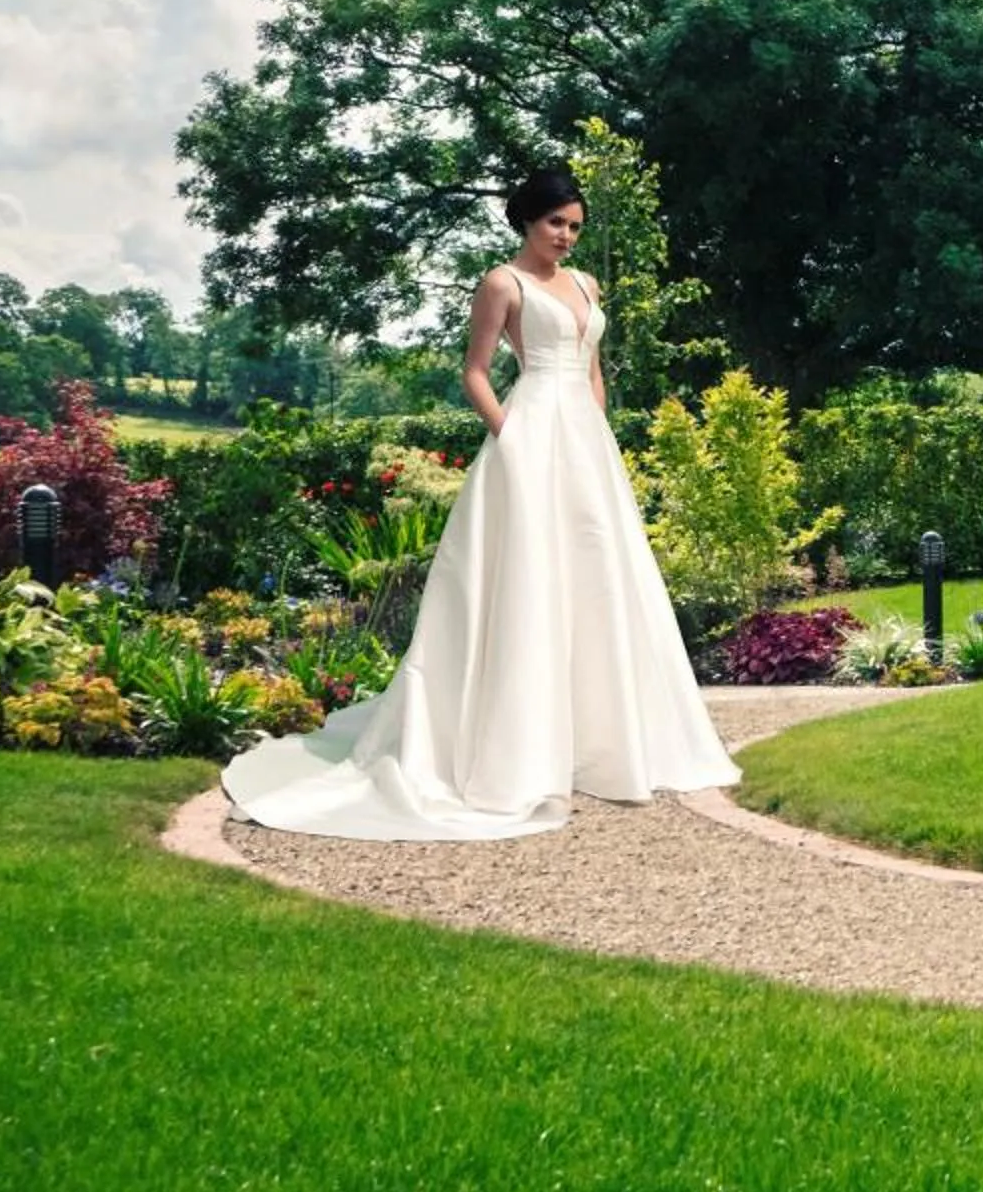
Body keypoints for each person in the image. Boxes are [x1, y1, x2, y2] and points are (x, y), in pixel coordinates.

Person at [222, 167, 739, 839]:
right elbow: (474, 370)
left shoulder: (587, 285)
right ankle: (514, 750)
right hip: (529, 433)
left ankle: (607, 745)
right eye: (557, 223)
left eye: (576, 226)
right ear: (528, 219)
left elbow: (592, 370)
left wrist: (598, 436)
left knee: (600, 580)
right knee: (526, 578)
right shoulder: (503, 282)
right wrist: (511, 435)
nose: (567, 236)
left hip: (585, 443)